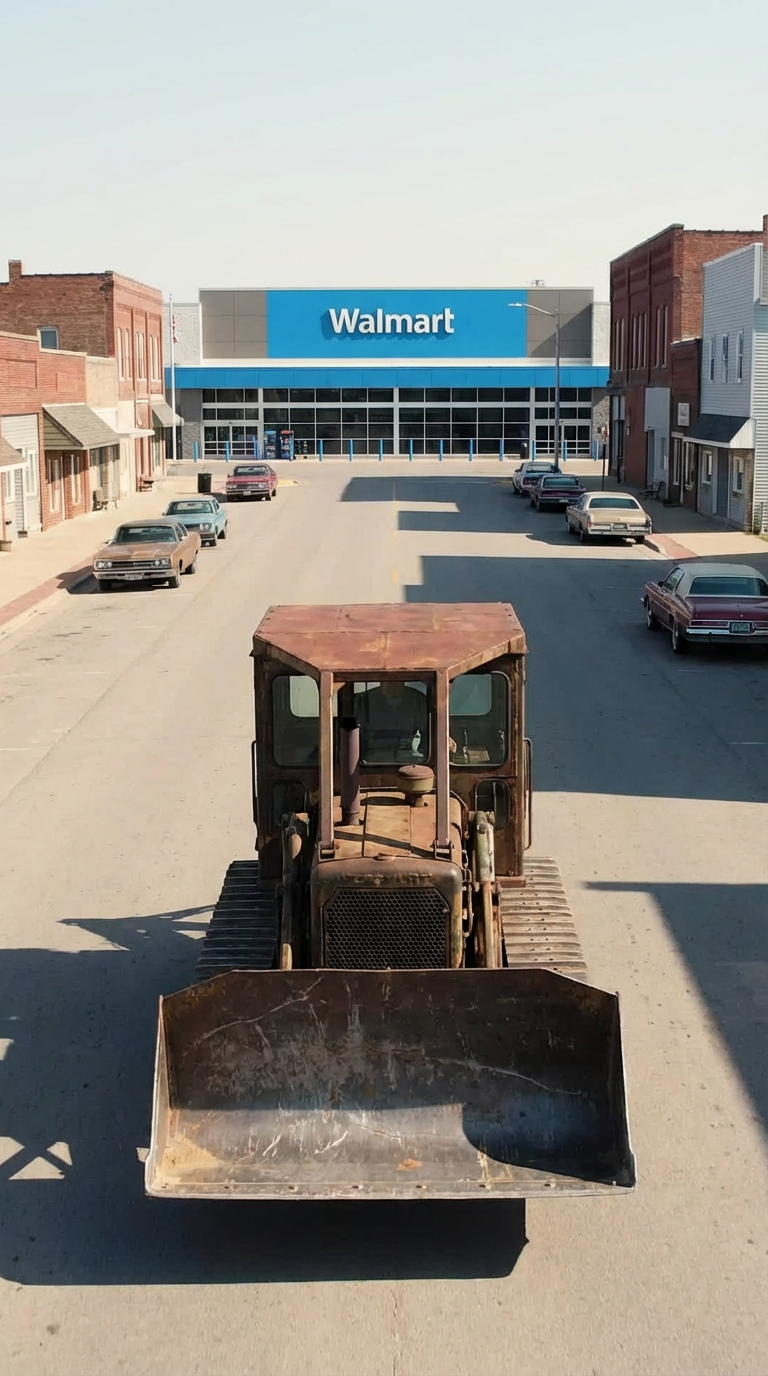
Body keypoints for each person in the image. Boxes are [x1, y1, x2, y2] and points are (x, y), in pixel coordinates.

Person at [356, 681, 428, 759]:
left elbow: (427, 732)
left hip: (406, 757)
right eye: (388, 680)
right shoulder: (364, 700)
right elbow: (356, 735)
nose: (393, 683)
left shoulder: (417, 699)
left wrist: (423, 756)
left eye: (397, 679)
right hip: (372, 758)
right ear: (380, 681)